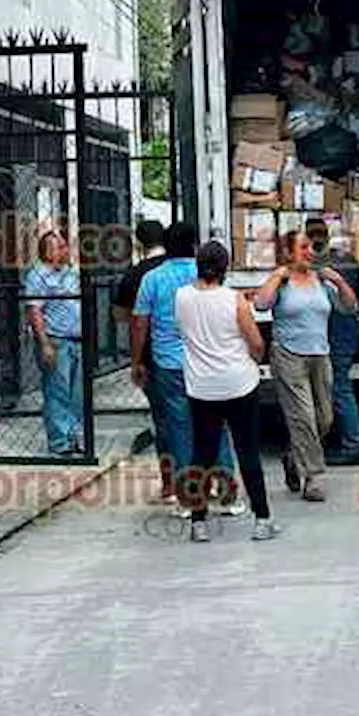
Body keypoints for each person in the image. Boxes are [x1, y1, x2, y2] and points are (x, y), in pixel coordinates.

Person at [131, 222, 242, 516]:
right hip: (205, 362)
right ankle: (227, 494)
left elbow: (140, 323)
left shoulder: (152, 279)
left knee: (179, 430)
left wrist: (137, 361)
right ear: (195, 246)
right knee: (215, 427)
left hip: (169, 365)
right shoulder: (203, 275)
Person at [175, 241, 278, 543]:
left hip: (201, 387)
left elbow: (183, 332)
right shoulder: (235, 301)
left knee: (201, 455)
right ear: (225, 267)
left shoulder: (181, 297)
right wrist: (254, 360)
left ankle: (198, 522)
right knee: (247, 451)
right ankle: (262, 519)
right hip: (238, 384)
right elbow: (256, 343)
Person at [254, 230, 359, 502]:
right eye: (302, 248)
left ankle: (293, 456)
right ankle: (313, 476)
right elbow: (260, 304)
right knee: (303, 417)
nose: (308, 252)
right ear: (289, 253)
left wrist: (338, 280)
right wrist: (278, 275)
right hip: (288, 355)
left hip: (320, 355)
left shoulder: (321, 281)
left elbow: (349, 306)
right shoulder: (283, 281)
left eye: (310, 247)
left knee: (325, 418)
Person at [305, 217, 359, 466]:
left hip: (332, 329)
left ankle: (352, 445)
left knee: (337, 386)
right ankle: (344, 441)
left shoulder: (315, 264)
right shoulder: (347, 258)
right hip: (347, 327)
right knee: (336, 385)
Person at [24, 230, 84, 456]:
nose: (64, 250)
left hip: (77, 339)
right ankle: (60, 442)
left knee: (76, 393)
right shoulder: (38, 276)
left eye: (64, 246)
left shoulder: (70, 273)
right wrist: (44, 343)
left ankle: (75, 436)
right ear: (46, 252)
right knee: (57, 392)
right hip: (56, 339)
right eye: (58, 247)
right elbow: (34, 310)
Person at [113, 219, 170, 457]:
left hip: (150, 354)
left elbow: (121, 315)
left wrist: (136, 361)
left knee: (162, 418)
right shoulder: (179, 268)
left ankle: (170, 481)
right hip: (188, 352)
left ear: (139, 243)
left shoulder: (134, 275)